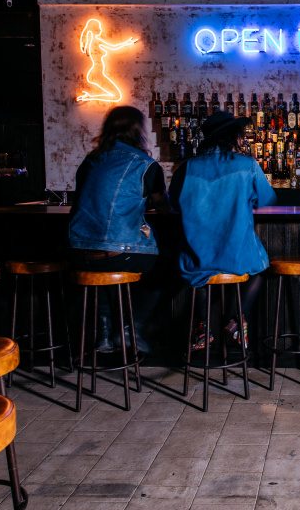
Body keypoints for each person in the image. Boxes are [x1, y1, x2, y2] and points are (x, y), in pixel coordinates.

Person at [168, 110, 277, 349]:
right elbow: (267, 200)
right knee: (260, 270)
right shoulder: (247, 165)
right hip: (237, 255)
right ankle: (235, 320)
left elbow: (174, 203)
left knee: (199, 275)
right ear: (234, 136)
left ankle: (204, 327)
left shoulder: (186, 168)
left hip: (196, 257)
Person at [68, 106, 170, 353]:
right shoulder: (145, 165)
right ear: (138, 131)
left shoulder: (90, 161)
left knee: (100, 267)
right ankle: (129, 328)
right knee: (169, 266)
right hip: (118, 252)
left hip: (79, 252)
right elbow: (164, 208)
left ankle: (103, 333)